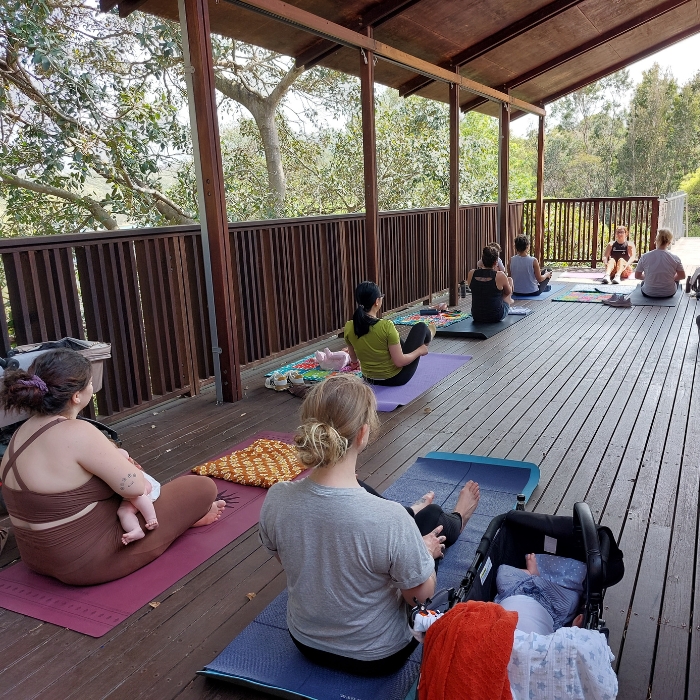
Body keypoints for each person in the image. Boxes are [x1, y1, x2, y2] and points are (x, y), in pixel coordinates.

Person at [259, 374, 480, 676]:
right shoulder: (389, 519)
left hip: (305, 641)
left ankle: (419, 518)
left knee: (387, 515)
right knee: (430, 523)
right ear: (363, 435)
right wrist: (424, 553)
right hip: (378, 655)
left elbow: (292, 561)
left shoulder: (277, 498)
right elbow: (420, 597)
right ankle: (457, 518)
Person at [0, 348, 226, 586]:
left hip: (35, 558)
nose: (92, 389)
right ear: (76, 396)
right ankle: (183, 521)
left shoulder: (19, 434)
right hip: (84, 564)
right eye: (89, 384)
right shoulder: (77, 432)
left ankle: (179, 521)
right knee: (201, 487)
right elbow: (137, 487)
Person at [344, 281, 432, 387]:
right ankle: (429, 337)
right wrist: (419, 351)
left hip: (368, 378)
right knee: (421, 327)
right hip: (395, 379)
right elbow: (399, 362)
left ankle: (428, 336)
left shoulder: (349, 326)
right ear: (377, 301)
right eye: (381, 297)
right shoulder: (386, 326)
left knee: (394, 338)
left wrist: (354, 364)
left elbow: (353, 357)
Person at [494, 553, 586, 635]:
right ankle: (535, 577)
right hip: (551, 606)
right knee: (574, 599)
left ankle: (532, 575)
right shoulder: (538, 651)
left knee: (503, 571)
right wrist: (574, 630)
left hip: (514, 592)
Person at [114, 445, 161, 545]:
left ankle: (151, 519)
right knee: (123, 511)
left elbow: (122, 453)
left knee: (135, 495)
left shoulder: (118, 453)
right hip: (126, 495)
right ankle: (135, 530)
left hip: (142, 485)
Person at [634, 228, 685, 298]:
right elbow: (682, 276)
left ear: (656, 240)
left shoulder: (644, 256)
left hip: (648, 293)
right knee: (677, 281)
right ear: (669, 243)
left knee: (643, 283)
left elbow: (637, 276)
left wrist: (649, 278)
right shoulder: (675, 258)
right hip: (669, 293)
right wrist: (670, 279)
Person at [467, 246, 514, 323]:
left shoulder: (471, 273)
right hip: (496, 315)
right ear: (496, 262)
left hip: (477, 315)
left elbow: (473, 287)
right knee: (508, 288)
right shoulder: (500, 275)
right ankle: (509, 302)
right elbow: (508, 292)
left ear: (482, 261)